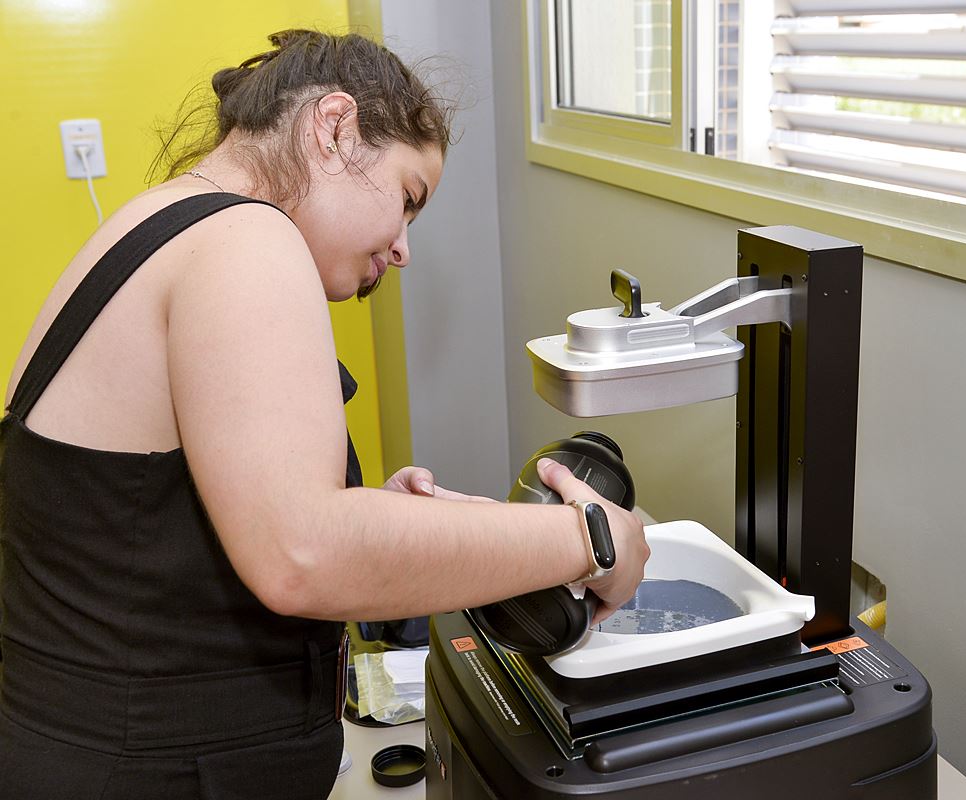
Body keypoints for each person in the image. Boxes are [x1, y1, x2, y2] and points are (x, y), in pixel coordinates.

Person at [0, 30, 648, 799]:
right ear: (335, 127)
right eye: (408, 198)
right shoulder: (245, 237)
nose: (404, 248)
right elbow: (303, 554)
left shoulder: (156, 225)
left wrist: (375, 522)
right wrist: (590, 539)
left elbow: (158, 527)